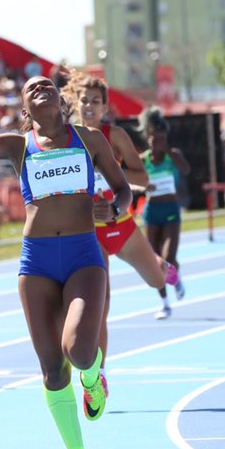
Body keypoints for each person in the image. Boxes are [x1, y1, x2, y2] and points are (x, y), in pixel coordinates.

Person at [0, 54, 130, 449]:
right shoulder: (20, 146)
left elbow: (124, 188)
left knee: (78, 350)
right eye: (31, 89)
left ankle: (93, 378)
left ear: (59, 100)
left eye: (47, 87)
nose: (41, 90)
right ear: (25, 108)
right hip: (36, 261)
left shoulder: (89, 139)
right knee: (52, 370)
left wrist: (113, 208)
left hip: (82, 254)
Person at [63, 72, 178, 395]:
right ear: (75, 101)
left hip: (122, 225)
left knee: (156, 281)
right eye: (83, 100)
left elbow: (140, 177)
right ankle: (96, 377)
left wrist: (108, 170)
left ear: (105, 106)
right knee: (102, 304)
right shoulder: (67, 138)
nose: (88, 106)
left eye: (95, 102)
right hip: (89, 233)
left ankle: (164, 267)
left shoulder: (115, 137)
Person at [140, 106, 191, 319]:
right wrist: (142, 187)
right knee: (154, 261)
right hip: (152, 211)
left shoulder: (173, 156)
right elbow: (132, 181)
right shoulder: (143, 159)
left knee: (169, 257)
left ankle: (175, 278)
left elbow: (186, 170)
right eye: (151, 137)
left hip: (170, 210)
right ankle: (164, 303)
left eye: (159, 137)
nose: (155, 141)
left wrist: (168, 150)